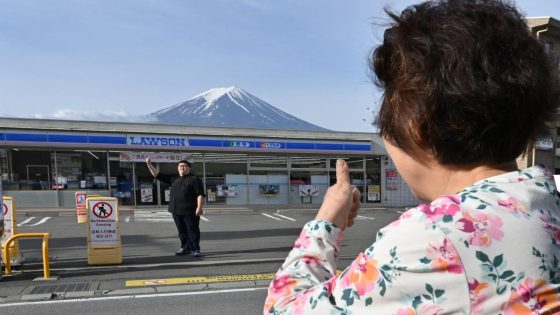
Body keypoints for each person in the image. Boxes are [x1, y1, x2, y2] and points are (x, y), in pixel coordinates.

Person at [264, 0, 560, 314]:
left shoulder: (437, 238)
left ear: (413, 124)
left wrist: (326, 222)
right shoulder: (546, 208)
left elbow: (283, 309)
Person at [146, 157, 205, 257]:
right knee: (182, 231)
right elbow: (157, 175)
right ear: (178, 168)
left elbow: (200, 194)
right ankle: (185, 248)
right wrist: (149, 165)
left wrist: (199, 207)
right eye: (180, 166)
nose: (182, 167)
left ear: (189, 168)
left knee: (192, 230)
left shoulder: (194, 179)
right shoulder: (174, 179)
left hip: (190, 211)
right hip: (176, 210)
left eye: (185, 166)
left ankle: (195, 249)